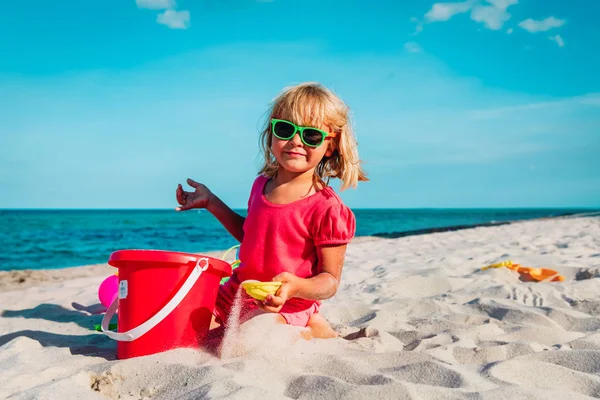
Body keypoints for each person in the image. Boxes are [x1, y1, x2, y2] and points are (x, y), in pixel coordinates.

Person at [175, 82, 368, 339]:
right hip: (237, 293)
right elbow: (253, 237)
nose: (296, 141)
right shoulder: (261, 186)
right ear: (272, 133)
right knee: (182, 326)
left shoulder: (326, 208)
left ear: (330, 146)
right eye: (286, 129)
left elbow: (330, 281)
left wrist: (295, 287)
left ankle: (312, 328)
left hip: (287, 303)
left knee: (252, 338)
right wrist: (212, 202)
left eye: (311, 135)